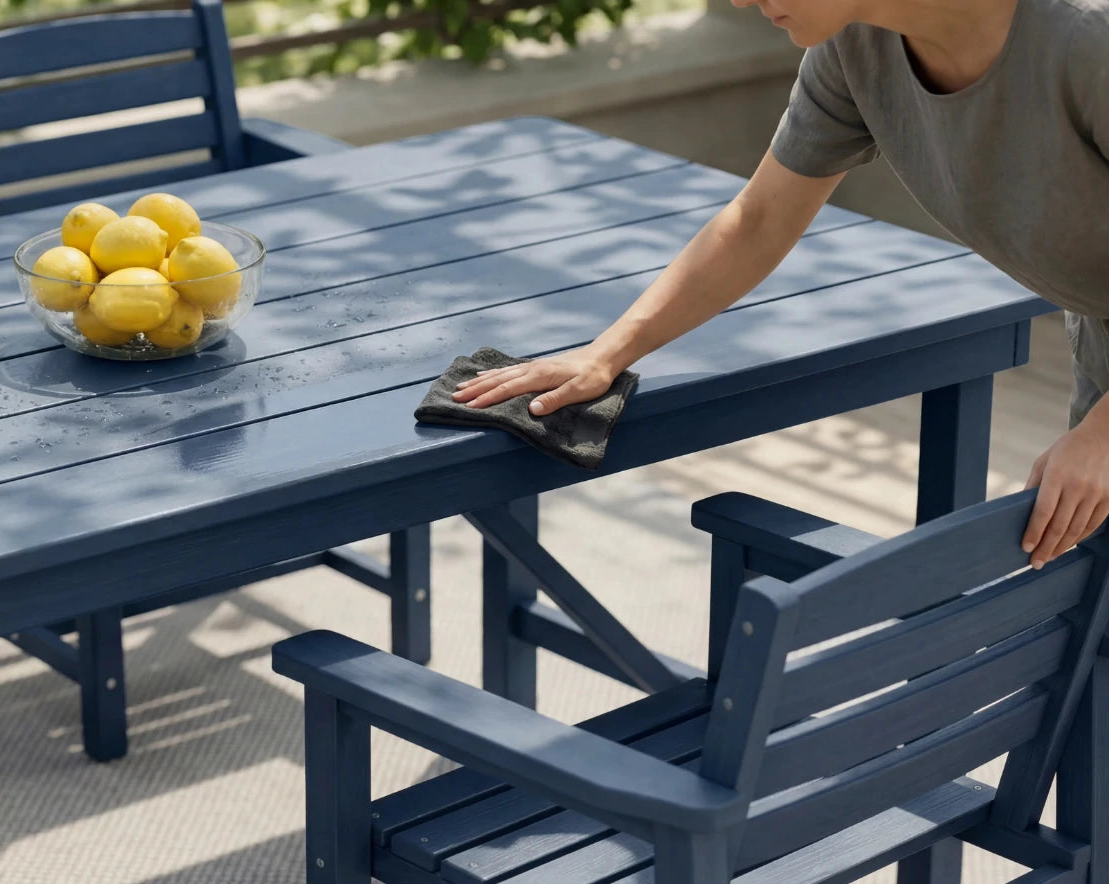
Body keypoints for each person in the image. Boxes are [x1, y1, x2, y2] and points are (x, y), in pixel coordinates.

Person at [453, 0, 1109, 570]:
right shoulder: (856, 48)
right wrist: (607, 351)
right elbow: (757, 220)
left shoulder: (1086, 38)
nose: (738, 0)